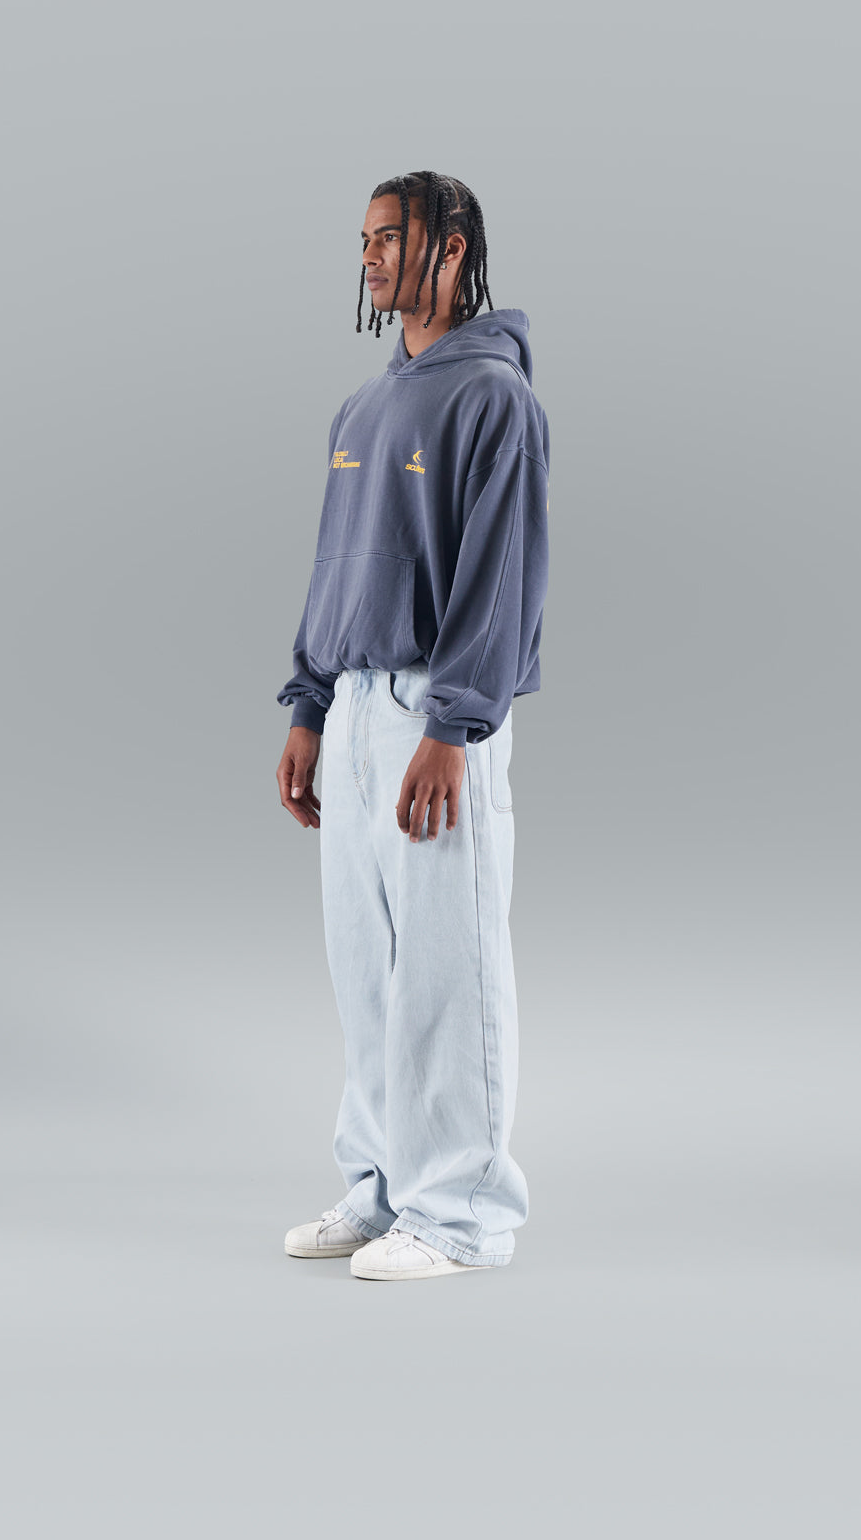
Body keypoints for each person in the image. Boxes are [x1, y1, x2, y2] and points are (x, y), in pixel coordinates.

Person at [275, 171, 551, 1281]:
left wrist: (456, 724)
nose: (371, 256)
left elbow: (502, 574)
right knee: (367, 970)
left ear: (454, 246)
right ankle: (384, 1184)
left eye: (391, 237)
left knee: (447, 964)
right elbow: (335, 564)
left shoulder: (494, 399)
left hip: (435, 710)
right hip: (353, 706)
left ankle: (462, 1212)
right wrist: (308, 704)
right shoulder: (361, 408)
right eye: (364, 239)